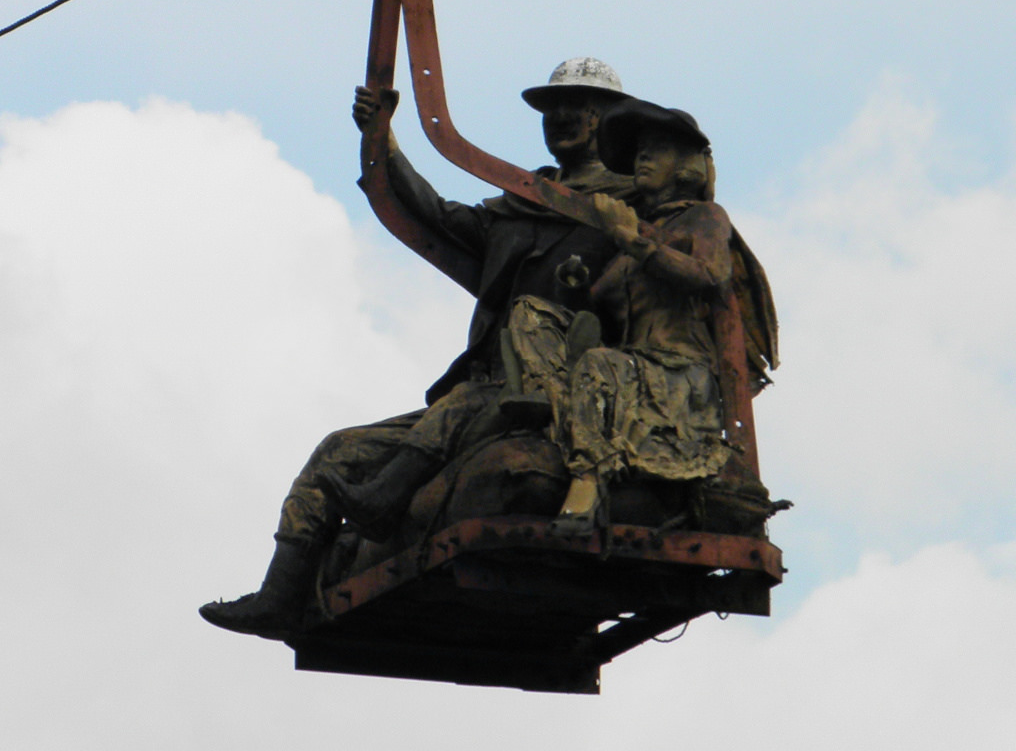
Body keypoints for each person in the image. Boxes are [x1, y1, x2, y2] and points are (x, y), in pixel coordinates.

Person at [200, 58, 633, 638]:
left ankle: (381, 502)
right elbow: (436, 214)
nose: (562, 118)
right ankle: (280, 595)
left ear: (608, 118)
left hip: (559, 390)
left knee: (456, 409)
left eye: (578, 106)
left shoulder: (633, 213)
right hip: (487, 387)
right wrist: (383, 139)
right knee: (337, 450)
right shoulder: (525, 201)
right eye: (552, 108)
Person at [556, 99, 776, 523]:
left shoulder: (703, 217)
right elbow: (598, 304)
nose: (643, 156)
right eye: (640, 149)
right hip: (633, 366)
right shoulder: (632, 229)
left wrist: (636, 244)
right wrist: (575, 283)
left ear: (686, 164)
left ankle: (588, 479)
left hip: (679, 371)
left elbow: (711, 274)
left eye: (657, 147)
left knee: (599, 366)